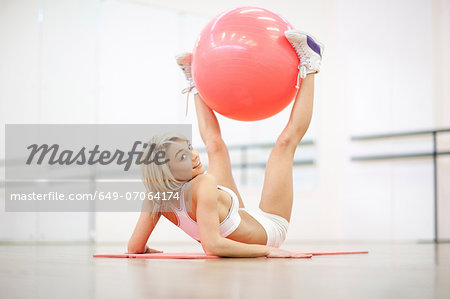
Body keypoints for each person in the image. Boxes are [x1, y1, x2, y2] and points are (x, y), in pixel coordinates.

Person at [127, 30, 324, 258]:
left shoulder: (156, 197)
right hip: (269, 229)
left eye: (188, 147)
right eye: (182, 158)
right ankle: (311, 64)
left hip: (239, 216)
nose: (193, 155)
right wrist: (269, 251)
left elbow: (134, 248)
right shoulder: (201, 185)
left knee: (214, 146)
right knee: (285, 143)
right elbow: (213, 247)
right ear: (168, 172)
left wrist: (145, 250)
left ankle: (194, 83)